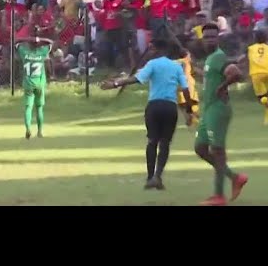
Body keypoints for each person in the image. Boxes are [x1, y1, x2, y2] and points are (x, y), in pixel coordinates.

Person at [101, 38, 193, 190]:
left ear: (157, 50)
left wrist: (116, 83)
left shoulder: (152, 64)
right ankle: (158, 176)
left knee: (152, 141)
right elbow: (185, 89)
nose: (150, 52)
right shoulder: (177, 67)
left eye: (152, 49)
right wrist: (188, 110)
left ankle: (150, 177)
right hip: (170, 107)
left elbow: (136, 79)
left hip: (154, 106)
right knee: (165, 143)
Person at [195, 23, 249, 206]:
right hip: (208, 109)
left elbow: (236, 73)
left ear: (218, 39)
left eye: (213, 36)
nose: (209, 39)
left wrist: (222, 87)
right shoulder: (210, 59)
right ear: (202, 39)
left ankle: (219, 196)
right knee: (200, 148)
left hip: (218, 110)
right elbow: (212, 76)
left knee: (217, 152)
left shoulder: (218, 56)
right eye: (207, 36)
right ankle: (234, 177)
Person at [15, 26, 53, 139]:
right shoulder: (42, 51)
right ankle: (40, 131)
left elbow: (16, 42)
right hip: (40, 83)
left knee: (28, 107)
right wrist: (39, 39)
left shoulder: (24, 51)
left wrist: (28, 39)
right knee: (39, 108)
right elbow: (51, 42)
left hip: (28, 83)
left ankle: (28, 129)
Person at [246, 30, 268, 125]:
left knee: (261, 98)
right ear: (267, 39)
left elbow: (245, 59)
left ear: (255, 38)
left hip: (256, 74)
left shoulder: (250, 48)